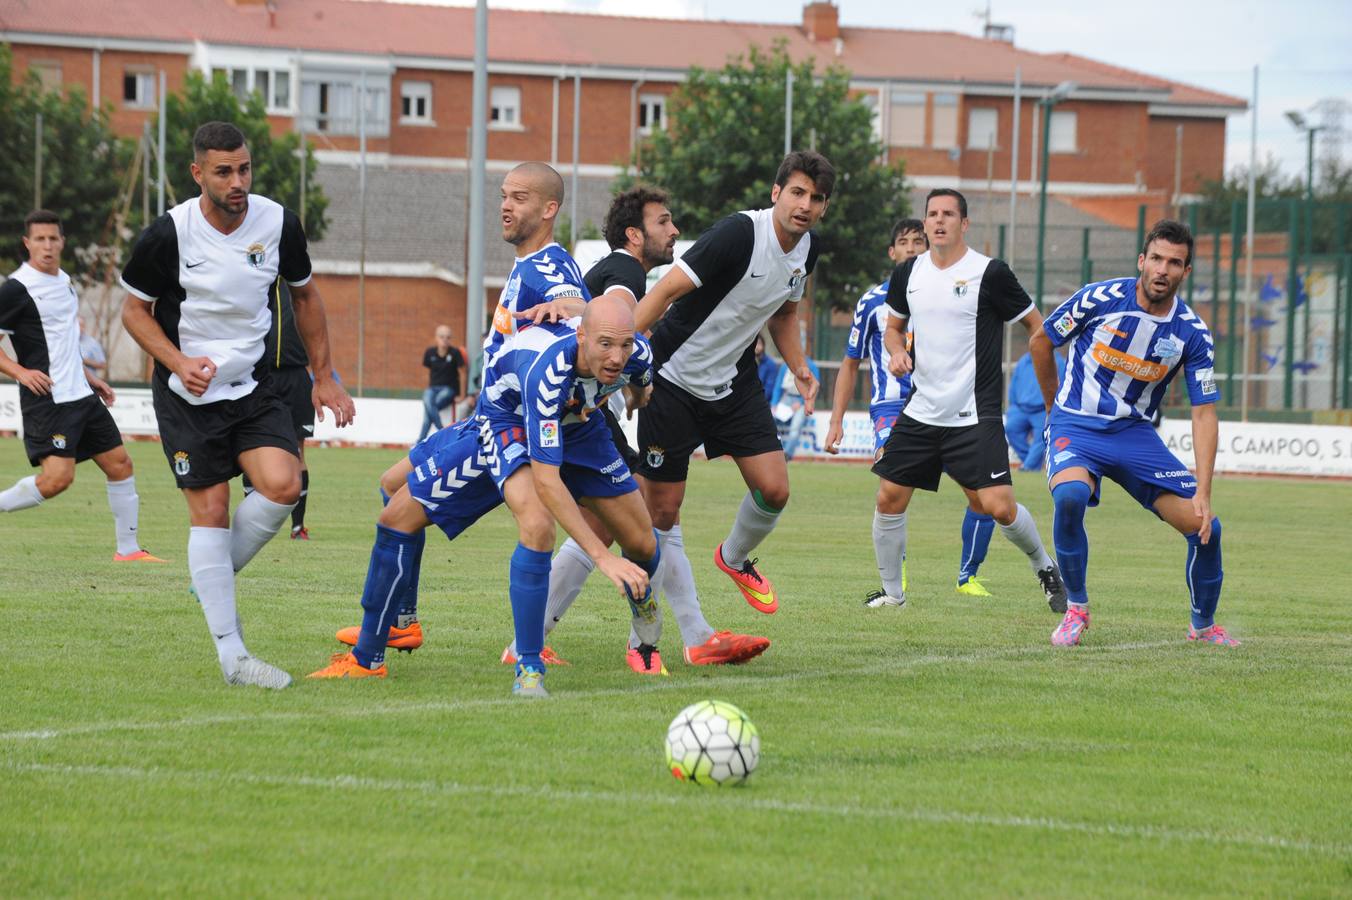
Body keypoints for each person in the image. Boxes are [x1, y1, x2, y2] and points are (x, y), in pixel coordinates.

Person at [330, 161, 614, 685]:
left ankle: (370, 657)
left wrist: (564, 306)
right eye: (505, 195)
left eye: (521, 198)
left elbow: (581, 310)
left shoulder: (544, 267)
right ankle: (402, 622)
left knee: (406, 517)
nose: (506, 206)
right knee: (391, 483)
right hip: (489, 417)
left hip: (503, 430)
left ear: (549, 209)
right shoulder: (532, 261)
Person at [311, 295, 661, 699]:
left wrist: (637, 394)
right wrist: (602, 557)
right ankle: (525, 666)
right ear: (582, 336)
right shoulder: (547, 372)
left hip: (580, 429)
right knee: (528, 525)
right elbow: (547, 481)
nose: (617, 356)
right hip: (506, 421)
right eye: (605, 345)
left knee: (643, 542)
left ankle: (641, 603)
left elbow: (640, 378)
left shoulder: (636, 352)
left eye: (624, 345)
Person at [120, 121, 354, 689]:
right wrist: (177, 362)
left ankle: (211, 578)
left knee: (283, 484)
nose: (237, 181)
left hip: (253, 385)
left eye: (244, 168)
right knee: (212, 512)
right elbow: (133, 311)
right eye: (223, 171)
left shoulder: (278, 223)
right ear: (199, 172)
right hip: (185, 394)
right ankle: (234, 656)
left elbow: (306, 297)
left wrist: (325, 376)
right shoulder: (168, 234)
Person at [631, 150, 833, 657]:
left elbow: (784, 313)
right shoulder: (739, 234)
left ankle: (735, 558)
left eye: (817, 198)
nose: (805, 205)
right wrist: (626, 353)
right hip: (672, 378)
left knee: (775, 488)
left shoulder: (806, 248)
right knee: (660, 514)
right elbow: (667, 291)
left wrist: (800, 367)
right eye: (797, 192)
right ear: (776, 193)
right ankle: (644, 642)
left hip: (733, 382)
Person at [1031, 219, 1235, 647]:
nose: (1163, 269)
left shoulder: (1192, 334)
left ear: (1186, 272)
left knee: (1206, 527)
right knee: (1069, 498)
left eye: (1174, 263)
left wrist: (1205, 491)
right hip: (1076, 424)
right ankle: (1076, 610)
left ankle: (1203, 626)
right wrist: (1053, 410)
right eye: (1157, 258)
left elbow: (1204, 414)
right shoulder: (1098, 298)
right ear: (1142, 260)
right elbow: (1040, 341)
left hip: (1133, 435)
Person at [870, 189, 1067, 612]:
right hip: (921, 411)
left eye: (948, 214)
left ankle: (1044, 566)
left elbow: (1037, 327)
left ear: (964, 223)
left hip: (974, 416)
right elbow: (892, 329)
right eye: (932, 215)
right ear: (925, 224)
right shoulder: (908, 274)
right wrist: (897, 352)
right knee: (889, 497)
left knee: (997, 507)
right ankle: (893, 595)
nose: (939, 221)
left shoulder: (990, 273)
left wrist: (1050, 384)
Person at [824, 218, 999, 600]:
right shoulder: (873, 302)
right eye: (904, 242)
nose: (911, 248)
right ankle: (895, 580)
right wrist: (836, 420)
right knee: (893, 489)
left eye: (918, 241)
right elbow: (850, 363)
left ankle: (968, 576)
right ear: (892, 252)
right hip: (892, 407)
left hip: (948, 407)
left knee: (983, 497)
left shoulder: (955, 293)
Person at [0, 209, 163, 564]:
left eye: (52, 239)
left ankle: (129, 550)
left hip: (82, 395)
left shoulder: (64, 281)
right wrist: (20, 372)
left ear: (62, 242)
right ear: (27, 243)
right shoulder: (15, 289)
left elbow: (63, 341)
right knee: (58, 479)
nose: (47, 246)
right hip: (49, 399)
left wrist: (90, 378)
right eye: (39, 239)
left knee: (120, 464)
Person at [242, 277, 317, 539]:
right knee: (252, 448)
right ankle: (251, 525)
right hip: (259, 375)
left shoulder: (300, 286)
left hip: (296, 377)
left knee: (297, 452)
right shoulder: (252, 277)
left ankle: (298, 527)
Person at [1005, 349, 1064, 472]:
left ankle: (1028, 467)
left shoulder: (1058, 362)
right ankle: (1031, 464)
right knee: (1011, 429)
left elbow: (1063, 386)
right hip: (1020, 409)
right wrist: (1012, 408)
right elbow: (1014, 385)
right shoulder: (1023, 361)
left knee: (1041, 438)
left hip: (1043, 409)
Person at [770, 345, 820, 460]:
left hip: (802, 399)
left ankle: (786, 455)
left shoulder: (811, 366)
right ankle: (773, 453)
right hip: (786, 397)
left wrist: (803, 401)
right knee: (769, 421)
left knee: (795, 427)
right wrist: (774, 404)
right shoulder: (785, 366)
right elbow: (778, 386)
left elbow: (814, 387)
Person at [416, 325, 463, 442]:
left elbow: (463, 373)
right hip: (432, 388)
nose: (445, 340)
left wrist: (461, 395)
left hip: (449, 388)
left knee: (430, 407)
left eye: (448, 337)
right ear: (436, 338)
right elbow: (425, 372)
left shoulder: (455, 353)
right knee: (428, 400)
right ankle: (442, 431)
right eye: (442, 337)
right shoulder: (429, 352)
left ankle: (420, 441)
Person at [78, 317, 107, 381]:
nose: (80, 328)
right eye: (77, 325)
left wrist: (84, 361)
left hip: (88, 383)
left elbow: (103, 365)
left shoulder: (92, 343)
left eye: (82, 326)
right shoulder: (67, 343)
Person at [755, 335, 777, 401]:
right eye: (754, 344)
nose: (756, 347)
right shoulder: (748, 363)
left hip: (762, 401)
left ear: (763, 345)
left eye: (758, 343)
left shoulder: (770, 364)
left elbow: (769, 389)